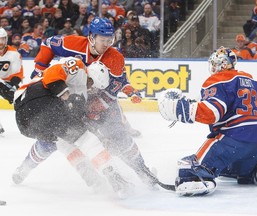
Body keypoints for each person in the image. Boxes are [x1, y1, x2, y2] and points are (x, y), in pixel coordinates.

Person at [22, 17, 162, 189]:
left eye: (110, 39)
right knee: (53, 138)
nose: (107, 43)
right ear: (91, 37)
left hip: (100, 99)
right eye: (103, 40)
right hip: (69, 97)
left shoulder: (115, 57)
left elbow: (117, 85)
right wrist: (39, 68)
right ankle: (24, 168)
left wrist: (100, 105)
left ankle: (143, 172)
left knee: (119, 135)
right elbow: (49, 43)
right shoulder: (73, 44)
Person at [158, 46, 257, 196]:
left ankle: (196, 179)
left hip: (232, 140)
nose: (212, 68)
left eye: (214, 64)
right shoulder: (249, 79)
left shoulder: (219, 79)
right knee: (236, 167)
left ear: (222, 64)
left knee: (191, 168)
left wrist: (182, 109)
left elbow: (211, 113)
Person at [13, 57, 133, 198]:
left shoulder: (81, 94)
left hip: (26, 124)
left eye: (94, 87)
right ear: (90, 74)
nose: (91, 88)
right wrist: (67, 97)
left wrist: (100, 136)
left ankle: (93, 180)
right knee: (86, 139)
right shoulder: (78, 66)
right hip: (35, 100)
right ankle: (114, 176)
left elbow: (74, 125)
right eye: (92, 83)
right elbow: (52, 76)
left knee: (64, 141)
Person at [0, 27, 23, 134]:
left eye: (3, 39)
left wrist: (13, 87)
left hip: (11, 82)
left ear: (6, 40)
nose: (0, 42)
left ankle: (32, 121)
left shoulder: (14, 53)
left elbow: (17, 73)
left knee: (21, 102)